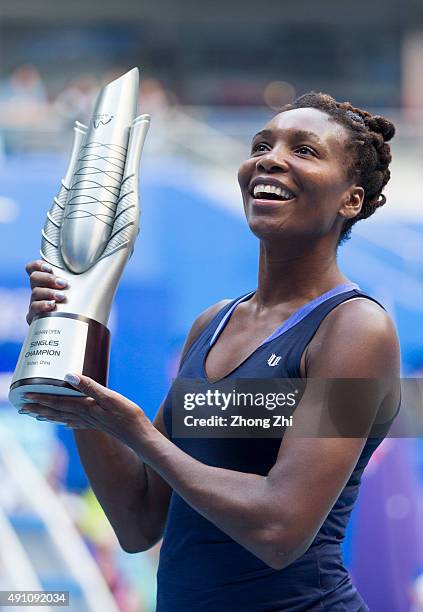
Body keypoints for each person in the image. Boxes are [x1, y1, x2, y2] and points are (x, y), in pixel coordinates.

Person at [22, 92, 401, 611]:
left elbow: (280, 529)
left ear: (351, 200)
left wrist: (136, 432)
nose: (271, 158)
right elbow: (138, 521)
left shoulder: (359, 329)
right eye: (261, 145)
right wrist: (79, 373)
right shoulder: (214, 321)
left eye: (305, 150)